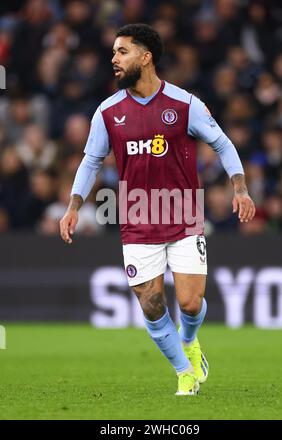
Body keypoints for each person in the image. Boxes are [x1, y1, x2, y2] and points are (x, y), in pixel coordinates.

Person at [60, 23, 256, 395]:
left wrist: (240, 188)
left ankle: (191, 341)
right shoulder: (107, 112)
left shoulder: (185, 104)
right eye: (113, 52)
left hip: (183, 216)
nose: (113, 59)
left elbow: (224, 144)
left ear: (145, 57)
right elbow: (90, 162)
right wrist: (73, 206)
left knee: (189, 302)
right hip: (136, 220)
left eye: (122, 52)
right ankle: (184, 372)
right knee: (151, 303)